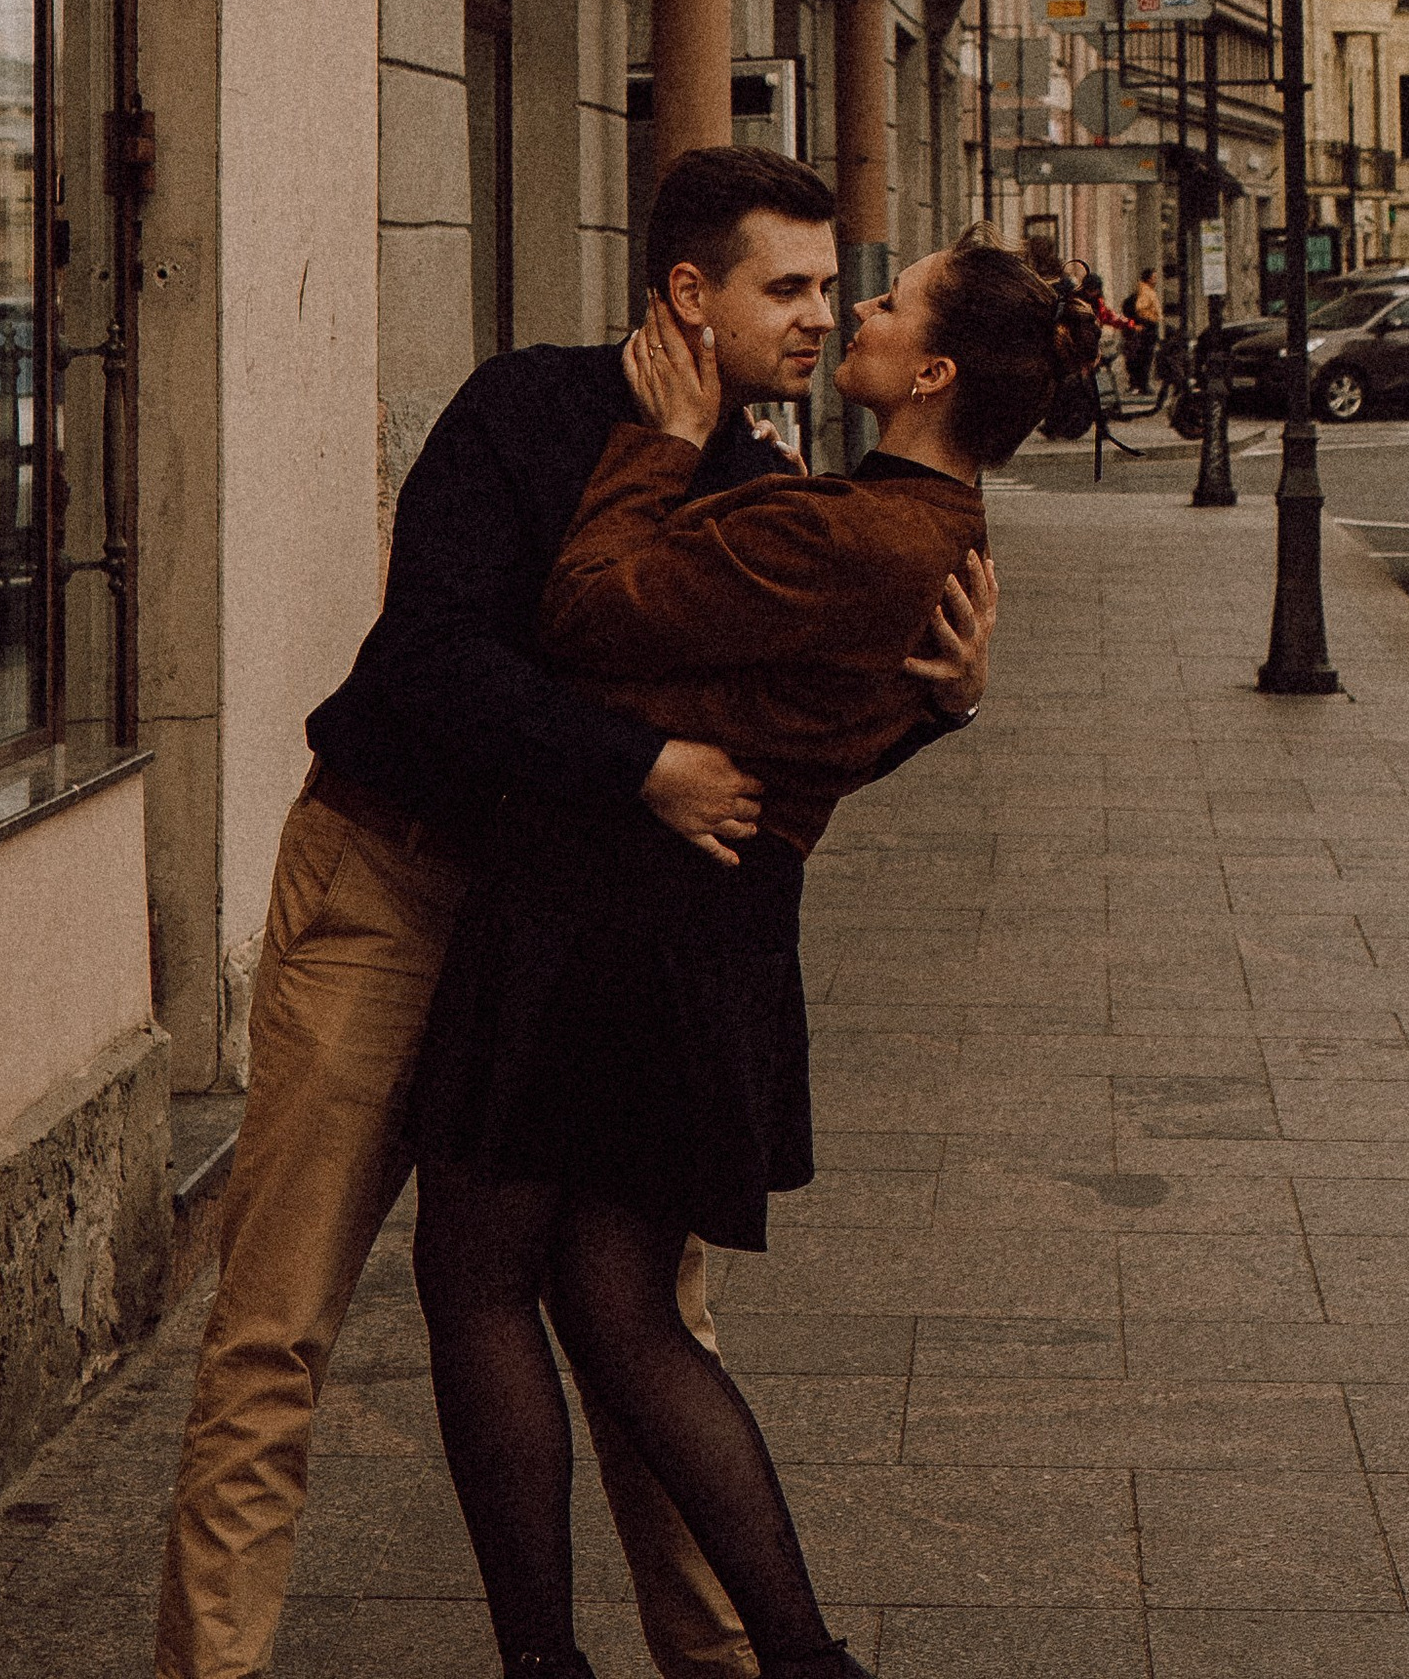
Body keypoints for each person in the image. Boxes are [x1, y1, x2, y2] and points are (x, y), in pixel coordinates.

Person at [150, 148, 996, 1679]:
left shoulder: (760, 482)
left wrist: (937, 705)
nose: (818, 318)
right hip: (393, 883)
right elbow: (430, 659)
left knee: (642, 1321)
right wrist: (642, 766)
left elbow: (770, 766)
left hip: (572, 934)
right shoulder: (523, 409)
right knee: (275, 1330)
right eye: (788, 287)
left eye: (833, 288)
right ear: (691, 292)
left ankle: (725, 1659)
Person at [406, 240, 1095, 1679]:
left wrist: (660, 447)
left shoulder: (849, 531)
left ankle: (558, 1665)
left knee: (479, 1283)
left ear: (937, 372)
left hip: (594, 920)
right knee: (614, 1303)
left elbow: (584, 607)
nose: (857, 311)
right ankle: (798, 1658)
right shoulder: (933, 531)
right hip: (700, 936)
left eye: (888, 301)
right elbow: (827, 730)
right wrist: (945, 712)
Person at [1122, 267, 1162, 398]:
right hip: (1146, 327)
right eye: (1154, 277)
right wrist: (1141, 322)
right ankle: (1141, 385)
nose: (1156, 280)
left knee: (1144, 357)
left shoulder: (1147, 291)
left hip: (1147, 326)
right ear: (1149, 278)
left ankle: (1141, 385)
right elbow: (1140, 308)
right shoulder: (1145, 292)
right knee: (1143, 357)